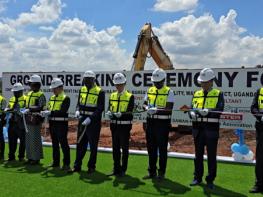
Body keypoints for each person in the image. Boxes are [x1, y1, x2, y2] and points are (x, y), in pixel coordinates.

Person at [188, 68, 224, 189]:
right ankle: (197, 177)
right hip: (198, 129)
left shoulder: (218, 94)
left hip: (211, 130)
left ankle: (210, 180)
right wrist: (191, 113)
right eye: (201, 82)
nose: (202, 84)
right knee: (198, 155)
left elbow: (219, 110)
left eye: (205, 82)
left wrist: (207, 112)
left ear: (211, 81)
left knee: (211, 156)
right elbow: (191, 107)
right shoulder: (196, 94)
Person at [142, 68, 174, 180]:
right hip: (151, 122)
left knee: (162, 149)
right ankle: (151, 172)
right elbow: (144, 104)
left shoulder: (169, 91)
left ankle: (161, 172)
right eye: (154, 82)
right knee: (151, 149)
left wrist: (156, 110)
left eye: (158, 82)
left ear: (163, 80)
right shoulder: (149, 90)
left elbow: (169, 109)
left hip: (162, 124)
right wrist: (147, 108)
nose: (156, 84)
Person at [70, 70, 105, 173]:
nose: (86, 82)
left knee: (93, 145)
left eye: (89, 80)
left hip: (93, 122)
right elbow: (78, 104)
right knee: (80, 143)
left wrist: (90, 118)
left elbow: (100, 108)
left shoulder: (100, 91)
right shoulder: (82, 89)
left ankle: (91, 166)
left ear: (93, 80)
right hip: (82, 119)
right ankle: (77, 166)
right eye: (85, 80)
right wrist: (77, 110)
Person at [106, 73, 134, 177]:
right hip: (114, 126)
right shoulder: (112, 95)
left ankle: (123, 169)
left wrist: (121, 114)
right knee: (115, 148)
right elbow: (109, 108)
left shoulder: (130, 96)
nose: (118, 86)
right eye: (116, 84)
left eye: (120, 84)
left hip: (125, 127)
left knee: (124, 149)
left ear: (124, 83)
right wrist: (109, 112)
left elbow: (130, 113)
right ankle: (116, 168)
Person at [41, 78, 71, 171]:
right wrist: (45, 111)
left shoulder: (66, 98)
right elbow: (49, 108)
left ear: (61, 87)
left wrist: (50, 112)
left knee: (63, 144)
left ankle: (66, 164)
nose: (53, 90)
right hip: (52, 124)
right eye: (52, 88)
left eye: (55, 88)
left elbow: (62, 111)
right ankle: (56, 162)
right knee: (54, 144)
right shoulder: (51, 98)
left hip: (61, 124)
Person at [22, 74, 46, 165]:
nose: (30, 85)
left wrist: (30, 109)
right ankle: (29, 157)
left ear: (37, 84)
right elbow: (26, 105)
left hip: (36, 119)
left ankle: (36, 158)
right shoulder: (29, 93)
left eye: (31, 84)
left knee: (35, 139)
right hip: (27, 119)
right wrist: (24, 109)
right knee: (28, 139)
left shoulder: (41, 95)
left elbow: (41, 107)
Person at [6, 83, 26, 162]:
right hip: (12, 122)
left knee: (22, 141)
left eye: (17, 92)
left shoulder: (25, 99)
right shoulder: (12, 99)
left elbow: (25, 109)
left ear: (21, 91)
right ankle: (11, 156)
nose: (15, 93)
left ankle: (21, 157)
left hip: (21, 122)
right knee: (11, 140)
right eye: (14, 92)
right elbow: (9, 107)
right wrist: (8, 109)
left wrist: (19, 111)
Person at [250, 87, 263, 193]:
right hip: (261, 128)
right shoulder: (259, 91)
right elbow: (253, 108)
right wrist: (260, 116)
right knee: (260, 157)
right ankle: (259, 184)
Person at [0, 94, 7, 161]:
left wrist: (2, 120)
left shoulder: (2, 99)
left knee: (0, 138)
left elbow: (4, 112)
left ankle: (1, 155)